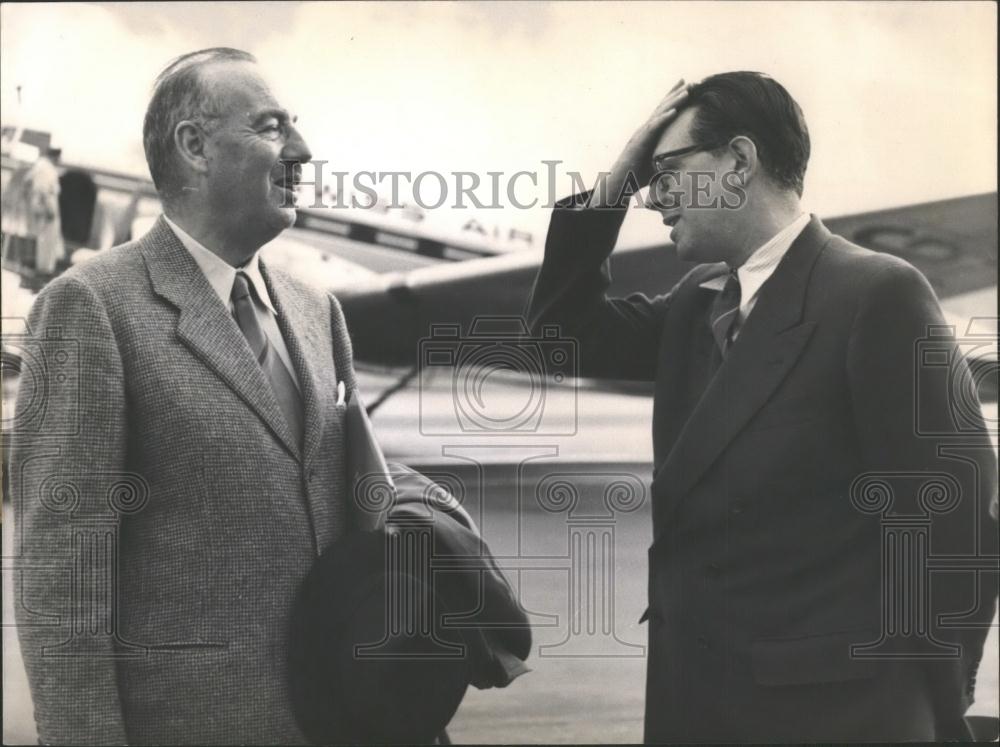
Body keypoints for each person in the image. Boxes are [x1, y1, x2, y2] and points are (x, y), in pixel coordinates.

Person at [526, 72, 998, 741]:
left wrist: (930, 710)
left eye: (667, 171)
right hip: (696, 703)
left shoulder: (876, 293)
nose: (653, 196)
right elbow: (556, 339)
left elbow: (959, 521)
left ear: (740, 161)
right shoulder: (697, 302)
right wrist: (617, 180)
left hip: (832, 716)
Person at [11, 48, 359, 745]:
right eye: (271, 127)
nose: (303, 150)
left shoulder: (319, 312)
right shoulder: (90, 307)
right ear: (194, 146)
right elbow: (62, 578)